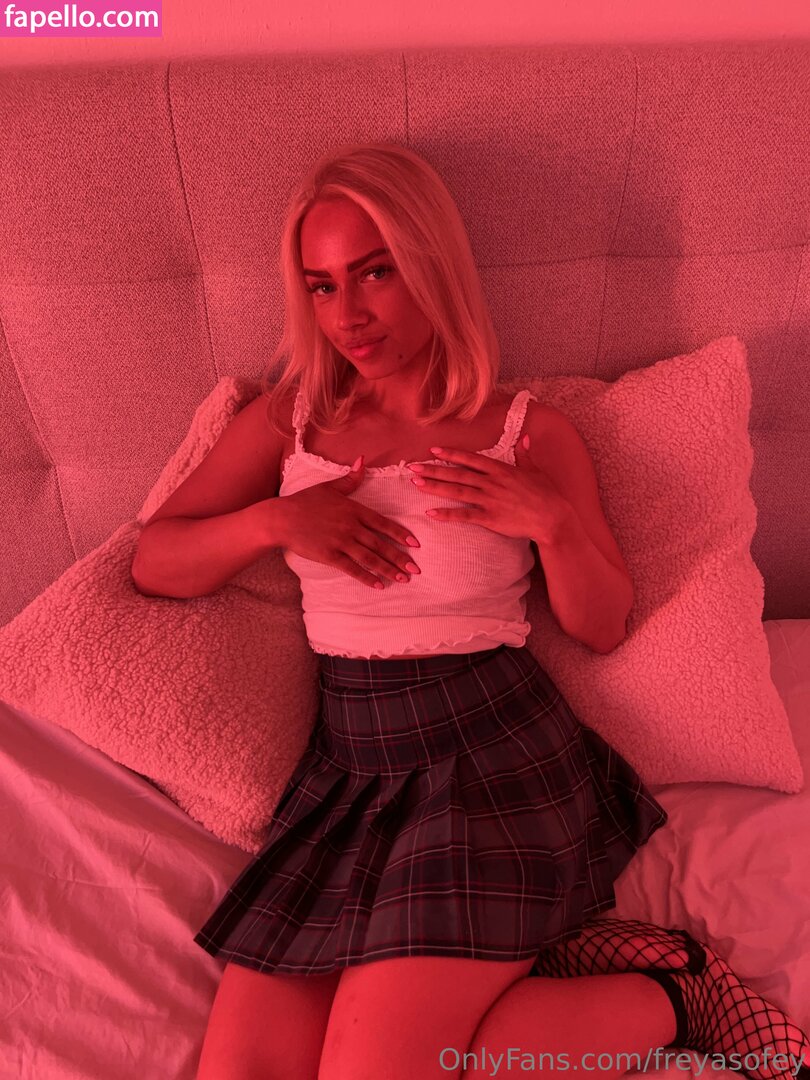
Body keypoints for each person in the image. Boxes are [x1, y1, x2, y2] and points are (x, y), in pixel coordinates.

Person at [134, 142, 810, 1080]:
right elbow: (156, 562)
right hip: (352, 774)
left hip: (491, 765)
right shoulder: (291, 424)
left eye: (375, 272)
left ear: (432, 264)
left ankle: (673, 992)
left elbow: (602, 624)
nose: (349, 313)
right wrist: (272, 521)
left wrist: (552, 521)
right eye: (323, 285)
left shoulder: (527, 431)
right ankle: (587, 980)